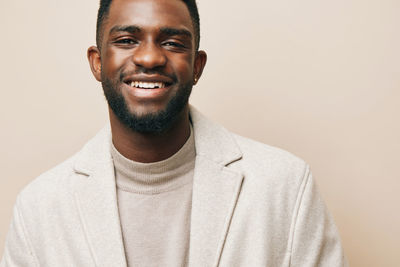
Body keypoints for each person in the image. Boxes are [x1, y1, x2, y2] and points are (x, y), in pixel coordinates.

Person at [1, 0, 347, 266]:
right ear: (96, 62)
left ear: (197, 66)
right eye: (126, 39)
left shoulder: (285, 186)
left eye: (171, 43)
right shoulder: (39, 209)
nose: (150, 57)